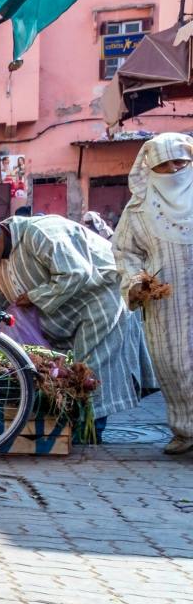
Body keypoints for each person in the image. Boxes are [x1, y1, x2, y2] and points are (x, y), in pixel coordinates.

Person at [0, 214, 148, 432]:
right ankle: (78, 425)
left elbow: (75, 272)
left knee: (92, 367)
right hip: (65, 313)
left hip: (98, 301)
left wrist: (35, 296)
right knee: (70, 370)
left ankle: (91, 429)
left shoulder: (40, 232)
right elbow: (1, 293)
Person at [113, 133, 193, 453]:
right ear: (150, 168)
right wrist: (137, 281)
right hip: (166, 301)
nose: (173, 169)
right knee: (175, 365)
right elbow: (124, 251)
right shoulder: (138, 211)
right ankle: (185, 430)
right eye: (163, 164)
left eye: (180, 162)